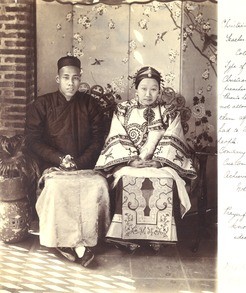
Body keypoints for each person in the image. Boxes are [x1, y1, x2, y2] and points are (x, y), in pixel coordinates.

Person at [95, 66, 197, 252]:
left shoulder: (169, 111)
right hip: (130, 163)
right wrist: (131, 160)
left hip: (161, 164)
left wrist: (159, 161)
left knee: (166, 180)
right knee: (126, 179)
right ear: (136, 90)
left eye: (153, 89)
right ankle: (126, 235)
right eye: (143, 88)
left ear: (159, 90)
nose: (148, 94)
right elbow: (116, 136)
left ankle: (159, 235)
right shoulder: (123, 110)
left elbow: (174, 137)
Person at [25, 56, 110, 267]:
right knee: (55, 188)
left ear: (80, 79)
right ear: (58, 79)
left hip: (85, 166)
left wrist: (80, 162)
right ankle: (73, 245)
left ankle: (83, 241)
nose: (70, 83)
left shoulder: (90, 104)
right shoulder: (42, 105)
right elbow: (33, 141)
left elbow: (98, 139)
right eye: (66, 78)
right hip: (54, 167)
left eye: (75, 78)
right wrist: (59, 159)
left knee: (98, 185)